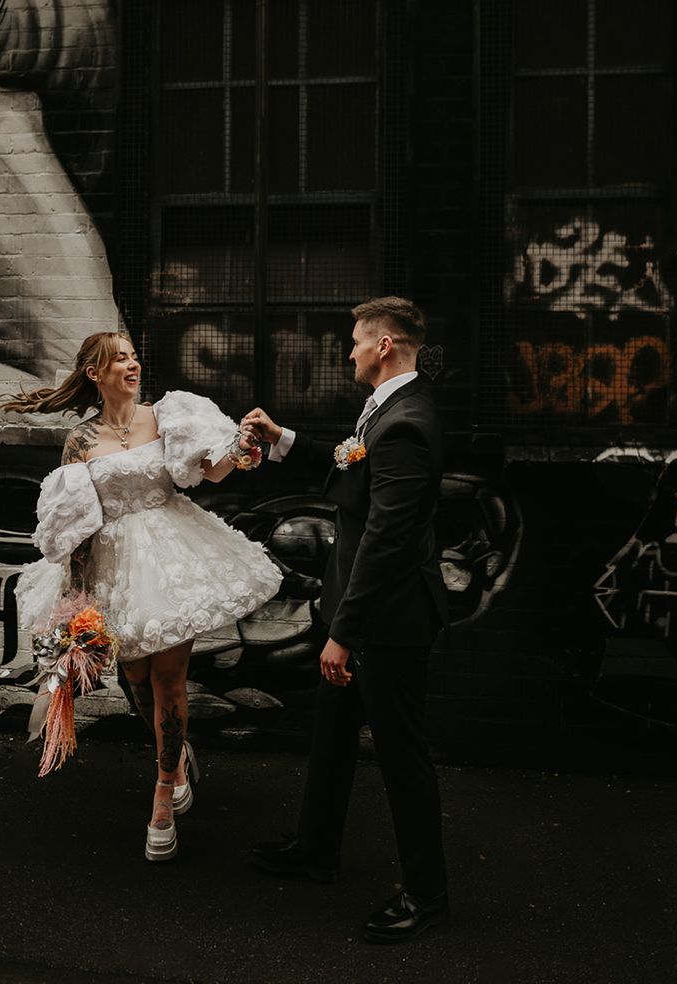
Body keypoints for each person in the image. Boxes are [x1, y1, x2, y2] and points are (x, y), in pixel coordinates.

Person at [3, 331, 282, 862]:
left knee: (167, 676)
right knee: (135, 679)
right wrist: (77, 603)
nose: (132, 365)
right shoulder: (80, 441)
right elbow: (76, 524)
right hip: (113, 566)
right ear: (95, 372)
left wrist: (244, 451)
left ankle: (161, 795)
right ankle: (175, 759)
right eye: (120, 359)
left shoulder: (169, 416)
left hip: (173, 558)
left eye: (134, 356)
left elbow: (215, 469)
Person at [242, 296, 449, 943]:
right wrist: (284, 441)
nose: (349, 351)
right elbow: (349, 468)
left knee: (401, 757)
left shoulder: (406, 422)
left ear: (385, 344)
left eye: (357, 341)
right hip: (357, 613)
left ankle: (426, 894)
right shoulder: (384, 410)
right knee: (331, 740)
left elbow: (388, 541)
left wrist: (343, 634)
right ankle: (316, 850)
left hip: (386, 625)